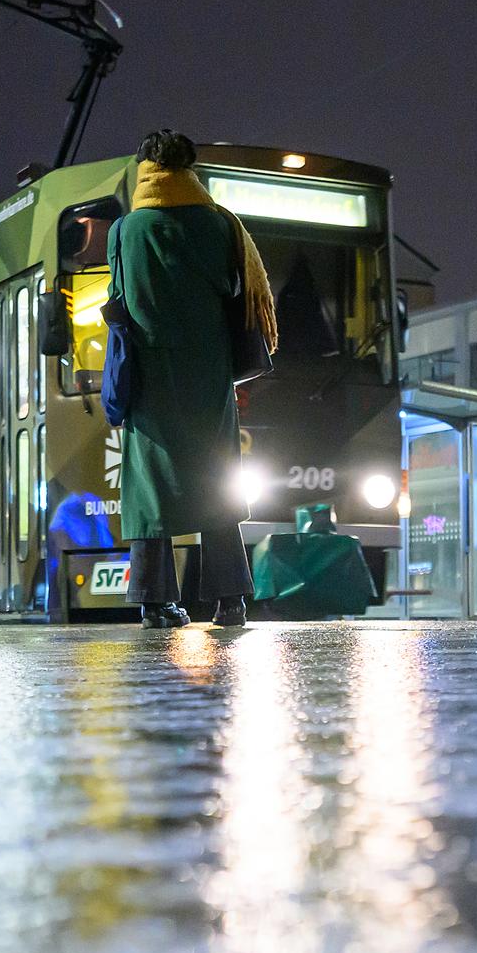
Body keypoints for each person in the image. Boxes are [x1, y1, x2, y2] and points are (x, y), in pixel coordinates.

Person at [107, 128, 274, 629]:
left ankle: (154, 602)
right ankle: (230, 601)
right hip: (208, 372)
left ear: (146, 170)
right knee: (217, 480)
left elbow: (120, 296)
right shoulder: (220, 225)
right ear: (188, 170)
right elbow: (232, 288)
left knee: (149, 486)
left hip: (151, 376)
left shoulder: (125, 231)